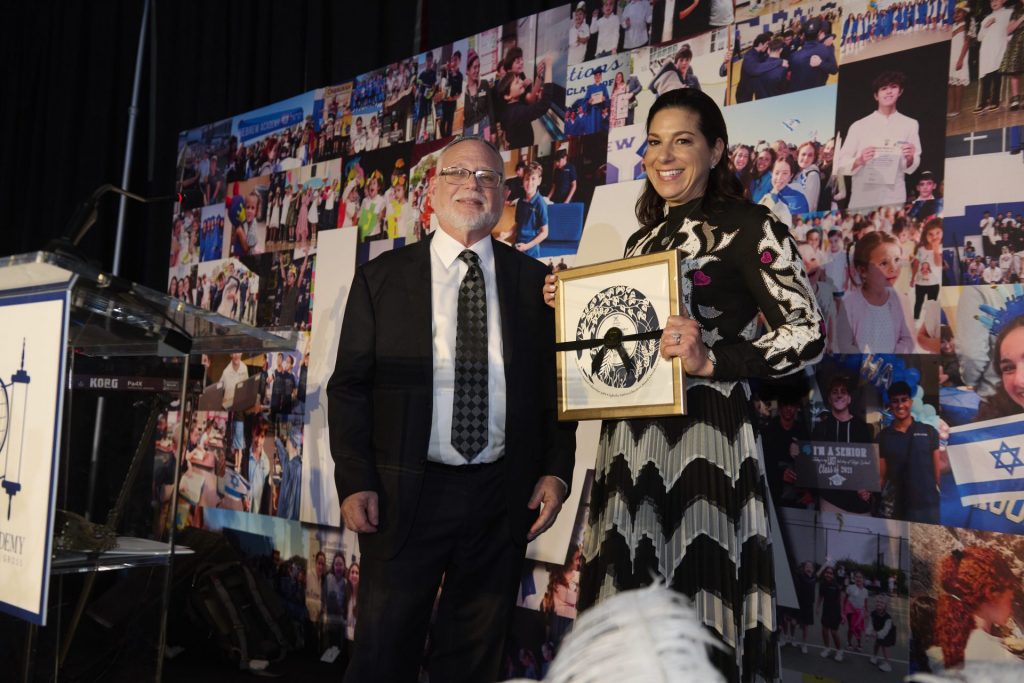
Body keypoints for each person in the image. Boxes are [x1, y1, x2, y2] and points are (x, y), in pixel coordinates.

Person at [543, 88, 824, 681]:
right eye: (653, 142)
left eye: (683, 140)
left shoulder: (753, 225)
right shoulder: (640, 241)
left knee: (699, 597)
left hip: (707, 438)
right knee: (630, 602)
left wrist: (710, 362)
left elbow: (809, 333)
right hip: (630, 440)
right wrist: (569, 306)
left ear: (717, 149)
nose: (663, 155)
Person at [327, 135, 576, 683]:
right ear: (433, 190)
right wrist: (354, 479)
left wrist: (557, 472)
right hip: (402, 496)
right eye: (459, 174)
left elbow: (558, 392)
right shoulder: (381, 279)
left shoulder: (537, 284)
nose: (473, 185)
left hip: (499, 498)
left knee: (473, 660)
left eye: (488, 177)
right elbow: (348, 388)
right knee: (381, 658)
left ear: (505, 194)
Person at [835, 71, 921, 210]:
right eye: (883, 88)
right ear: (876, 95)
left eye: (893, 87)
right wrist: (859, 160)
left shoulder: (910, 124)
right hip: (863, 197)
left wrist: (910, 157)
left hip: (894, 197)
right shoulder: (859, 126)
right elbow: (841, 162)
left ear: (900, 91)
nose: (889, 92)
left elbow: (912, 163)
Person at [933, 546, 1019, 668]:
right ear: (992, 594)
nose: (1012, 608)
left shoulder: (951, 643)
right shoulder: (999, 659)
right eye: (1010, 599)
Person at [877, 380, 942, 523]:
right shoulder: (883, 436)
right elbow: (881, 478)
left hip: (930, 508)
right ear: (890, 405)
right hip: (899, 509)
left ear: (911, 402)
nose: (900, 405)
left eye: (904, 400)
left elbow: (939, 476)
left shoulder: (929, 431)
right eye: (895, 401)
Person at [840, 231, 915, 353]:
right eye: (884, 263)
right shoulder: (849, 304)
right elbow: (844, 344)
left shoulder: (902, 301)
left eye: (897, 260)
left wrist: (894, 358)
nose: (893, 268)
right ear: (863, 270)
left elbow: (908, 339)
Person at [812, 376, 874, 514]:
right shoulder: (821, 428)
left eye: (843, 391)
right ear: (829, 399)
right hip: (829, 500)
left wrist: (867, 488)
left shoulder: (862, 428)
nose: (839, 394)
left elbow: (869, 464)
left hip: (858, 499)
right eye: (835, 392)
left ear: (849, 398)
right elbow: (814, 462)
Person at [502, 161, 548, 257]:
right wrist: (507, 234)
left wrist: (527, 246)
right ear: (523, 181)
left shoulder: (540, 203)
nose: (530, 182)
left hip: (531, 250)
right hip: (518, 245)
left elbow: (545, 232)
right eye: (527, 179)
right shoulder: (520, 202)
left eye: (533, 179)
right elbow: (518, 224)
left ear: (539, 181)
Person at [975, 0, 1012, 113]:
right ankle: (983, 101)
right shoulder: (987, 18)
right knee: (985, 77)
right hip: (986, 51)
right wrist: (986, 26)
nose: (993, 2)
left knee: (997, 74)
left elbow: (1011, 30)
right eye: (991, 1)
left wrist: (1008, 41)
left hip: (1000, 48)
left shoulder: (1009, 13)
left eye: (996, 0)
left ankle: (995, 100)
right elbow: (979, 38)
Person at [788, 18, 838, 92]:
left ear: (804, 35)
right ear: (819, 33)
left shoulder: (794, 56)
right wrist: (821, 63)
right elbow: (834, 70)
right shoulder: (828, 49)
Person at [911, 217, 943, 319]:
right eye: (931, 234)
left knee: (931, 305)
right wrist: (912, 278)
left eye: (938, 233)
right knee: (918, 302)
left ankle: (929, 323)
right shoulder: (921, 249)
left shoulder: (941, 248)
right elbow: (916, 263)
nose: (934, 237)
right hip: (920, 283)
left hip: (933, 283)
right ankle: (916, 319)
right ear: (925, 235)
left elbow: (938, 264)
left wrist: (936, 249)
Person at [818, 564, 844, 661]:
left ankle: (839, 651)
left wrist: (842, 613)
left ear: (833, 575)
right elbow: (820, 597)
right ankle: (827, 648)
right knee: (824, 630)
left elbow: (841, 600)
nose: (828, 575)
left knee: (834, 632)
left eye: (830, 573)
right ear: (825, 574)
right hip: (826, 610)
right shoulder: (822, 584)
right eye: (827, 573)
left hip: (835, 611)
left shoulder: (836, 586)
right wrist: (817, 607)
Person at [868, 595, 896, 672]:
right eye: (878, 602)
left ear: (885, 605)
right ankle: (874, 656)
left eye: (882, 603)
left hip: (889, 632)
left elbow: (885, 630)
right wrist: (869, 631)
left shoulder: (888, 618)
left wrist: (876, 634)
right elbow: (871, 624)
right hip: (879, 630)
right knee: (877, 643)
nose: (879, 604)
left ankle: (888, 664)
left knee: (884, 646)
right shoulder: (873, 613)